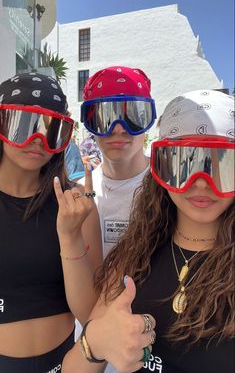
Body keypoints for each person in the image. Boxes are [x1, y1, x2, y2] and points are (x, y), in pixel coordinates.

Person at [61, 89, 234, 373]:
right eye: (185, 164)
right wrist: (94, 343)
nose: (202, 183)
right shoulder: (135, 255)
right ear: (162, 168)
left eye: (223, 165)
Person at [0, 72, 102, 372]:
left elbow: (89, 314)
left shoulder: (77, 204)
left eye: (52, 129)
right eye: (25, 125)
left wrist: (70, 238)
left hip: (63, 362)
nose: (38, 141)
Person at [80, 65, 157, 257]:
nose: (118, 129)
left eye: (132, 118)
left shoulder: (170, 188)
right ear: (90, 123)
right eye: (105, 118)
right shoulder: (80, 193)